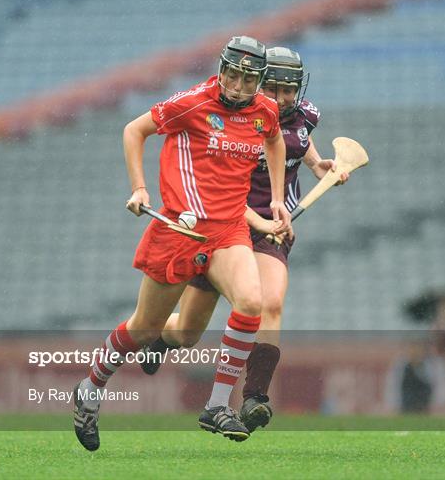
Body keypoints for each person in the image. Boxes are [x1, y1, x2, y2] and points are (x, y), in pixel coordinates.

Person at [72, 36, 291, 451]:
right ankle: (90, 387)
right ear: (221, 69)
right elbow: (134, 130)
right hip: (179, 231)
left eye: (247, 80)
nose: (236, 85)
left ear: (258, 82)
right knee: (144, 328)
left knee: (250, 303)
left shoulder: (264, 111)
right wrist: (139, 188)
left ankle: (216, 405)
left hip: (228, 230)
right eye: (231, 74)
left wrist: (276, 199)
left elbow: (275, 140)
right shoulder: (191, 103)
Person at [138, 46, 349, 433]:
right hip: (224, 225)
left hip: (271, 228)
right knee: (188, 331)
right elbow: (224, 189)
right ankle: (161, 340)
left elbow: (297, 143)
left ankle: (254, 398)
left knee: (268, 302)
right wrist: (260, 219)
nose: (282, 98)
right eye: (273, 89)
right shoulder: (236, 122)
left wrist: (320, 165)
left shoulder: (305, 116)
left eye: (289, 90)